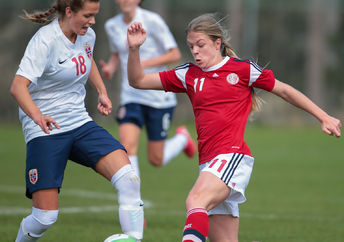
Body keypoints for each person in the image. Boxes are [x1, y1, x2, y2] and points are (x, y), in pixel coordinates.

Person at [126, 14, 342, 242]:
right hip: (208, 164)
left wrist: (323, 116)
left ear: (217, 43)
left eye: (201, 45)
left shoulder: (242, 70)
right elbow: (137, 80)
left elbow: (285, 90)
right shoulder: (187, 74)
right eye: (191, 46)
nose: (195, 51)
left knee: (195, 200)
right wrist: (134, 50)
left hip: (232, 156)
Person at [10, 1, 144, 241]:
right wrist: (38, 115)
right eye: (88, 15)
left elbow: (87, 59)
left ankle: (133, 238)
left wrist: (101, 91)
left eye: (95, 15)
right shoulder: (45, 40)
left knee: (129, 179)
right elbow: (18, 86)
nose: (92, 21)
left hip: (79, 122)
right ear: (69, 11)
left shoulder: (86, 35)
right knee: (44, 218)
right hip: (46, 129)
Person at [99, 0, 197, 178]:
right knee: (127, 148)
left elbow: (174, 54)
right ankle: (133, 202)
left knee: (156, 159)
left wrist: (141, 64)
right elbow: (118, 53)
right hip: (131, 96)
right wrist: (110, 68)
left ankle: (182, 139)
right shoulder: (111, 25)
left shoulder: (152, 20)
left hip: (158, 97)